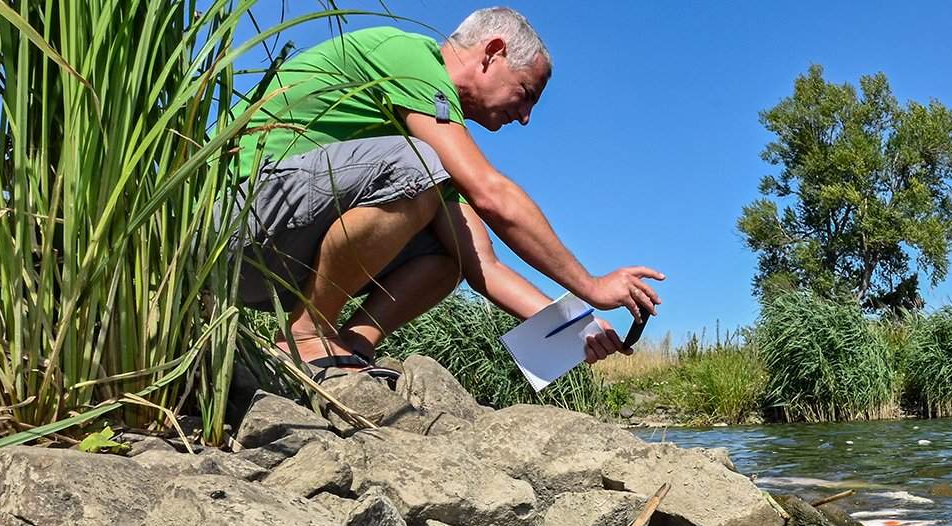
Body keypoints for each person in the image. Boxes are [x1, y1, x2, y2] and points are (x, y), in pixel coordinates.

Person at [228, 8, 661, 379]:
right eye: (526, 93)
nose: (526, 117)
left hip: (274, 255)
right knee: (415, 165)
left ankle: (353, 345)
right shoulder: (408, 57)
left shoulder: (424, 144)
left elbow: (483, 265)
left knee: (454, 248)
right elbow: (490, 193)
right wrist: (591, 286)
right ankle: (306, 333)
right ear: (493, 53)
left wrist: (576, 331)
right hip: (233, 224)